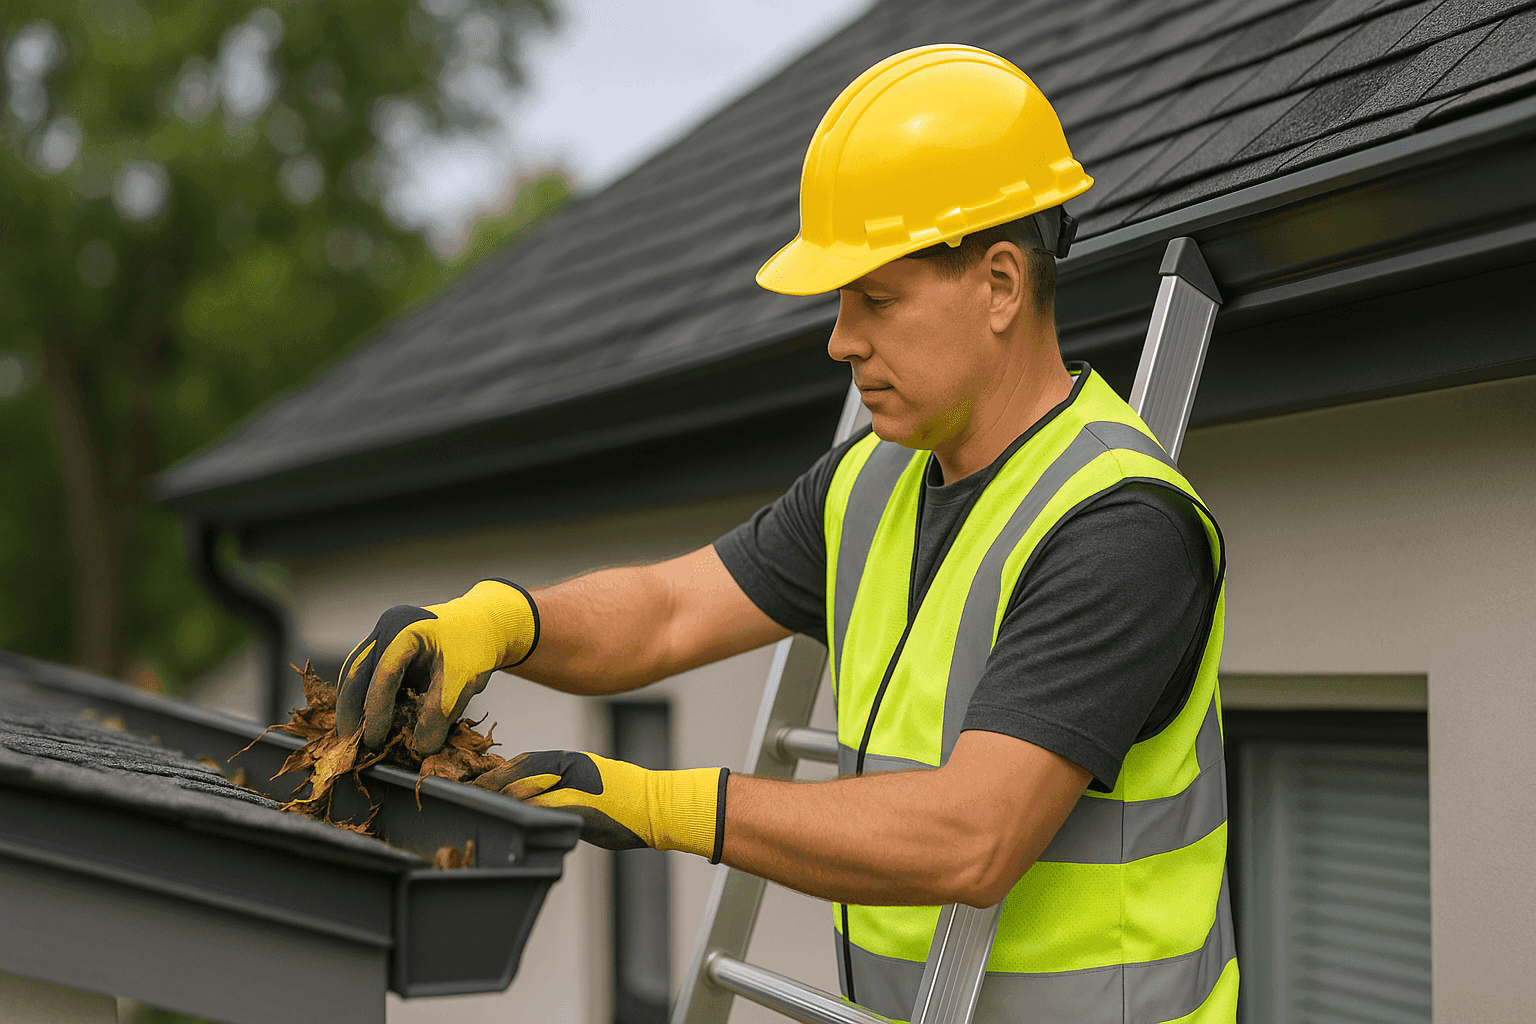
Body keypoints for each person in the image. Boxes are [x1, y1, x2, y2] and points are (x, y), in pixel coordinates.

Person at [335, 45, 1237, 1024]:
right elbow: (672, 611)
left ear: (1002, 285)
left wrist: (664, 803)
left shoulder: (1117, 526)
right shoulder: (870, 483)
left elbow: (971, 838)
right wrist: (502, 621)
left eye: (876, 300)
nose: (841, 339)